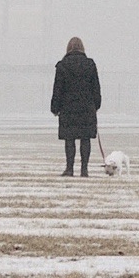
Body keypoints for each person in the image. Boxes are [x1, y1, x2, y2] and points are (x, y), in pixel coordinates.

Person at [51, 37, 101, 176]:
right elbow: (96, 88)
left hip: (68, 107)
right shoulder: (90, 64)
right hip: (86, 107)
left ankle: (69, 168)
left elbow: (58, 89)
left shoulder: (62, 66)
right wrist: (96, 105)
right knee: (85, 139)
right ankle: (84, 169)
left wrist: (55, 108)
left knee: (69, 139)